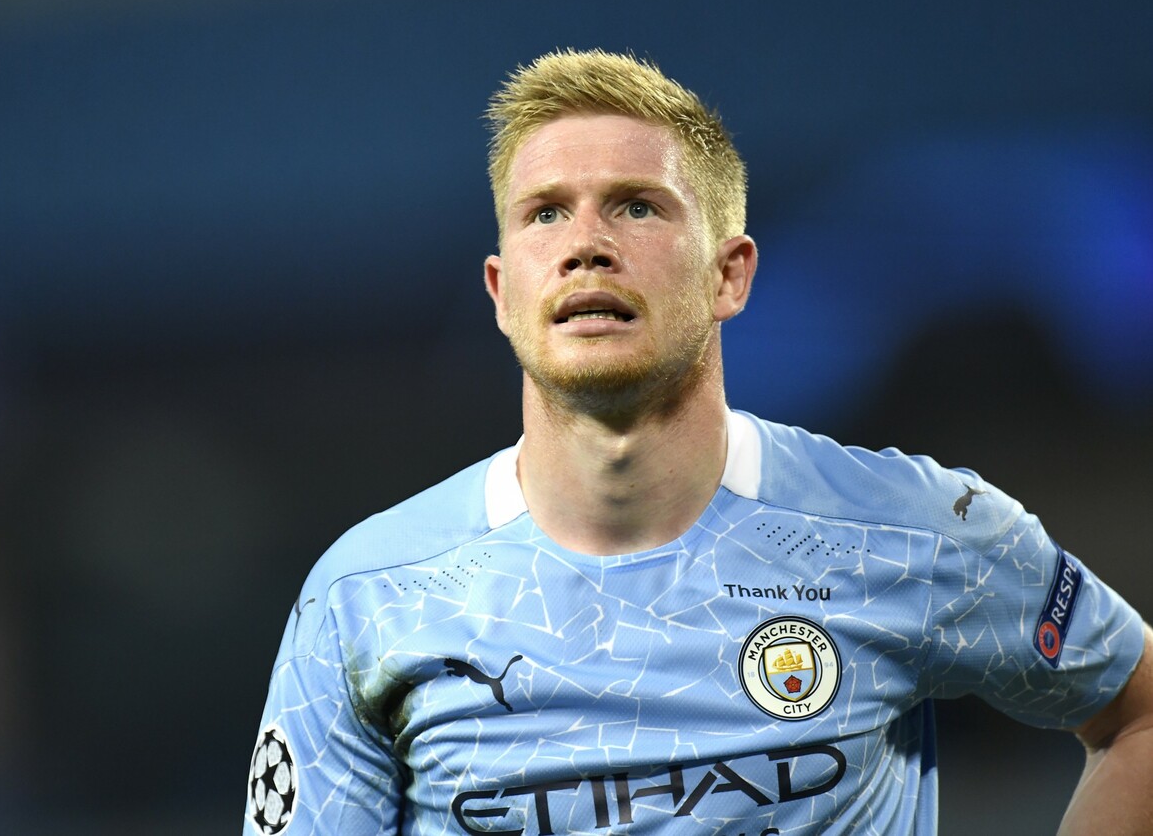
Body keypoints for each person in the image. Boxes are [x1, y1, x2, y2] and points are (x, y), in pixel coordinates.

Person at [243, 49, 1152, 835]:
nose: (586, 245)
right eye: (545, 213)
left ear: (730, 274)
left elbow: (1139, 717)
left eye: (636, 207)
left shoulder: (908, 530)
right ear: (500, 290)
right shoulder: (369, 598)